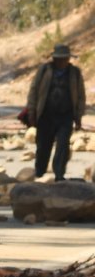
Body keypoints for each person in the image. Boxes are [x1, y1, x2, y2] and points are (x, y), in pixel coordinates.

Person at [26, 44, 85, 181]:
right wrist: (32, 111)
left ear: (68, 59)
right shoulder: (44, 70)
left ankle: (59, 175)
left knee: (63, 146)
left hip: (66, 116)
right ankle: (39, 173)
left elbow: (81, 96)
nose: (62, 62)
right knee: (43, 146)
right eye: (59, 59)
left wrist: (78, 117)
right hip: (46, 115)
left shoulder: (74, 73)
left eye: (64, 59)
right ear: (54, 59)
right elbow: (34, 91)